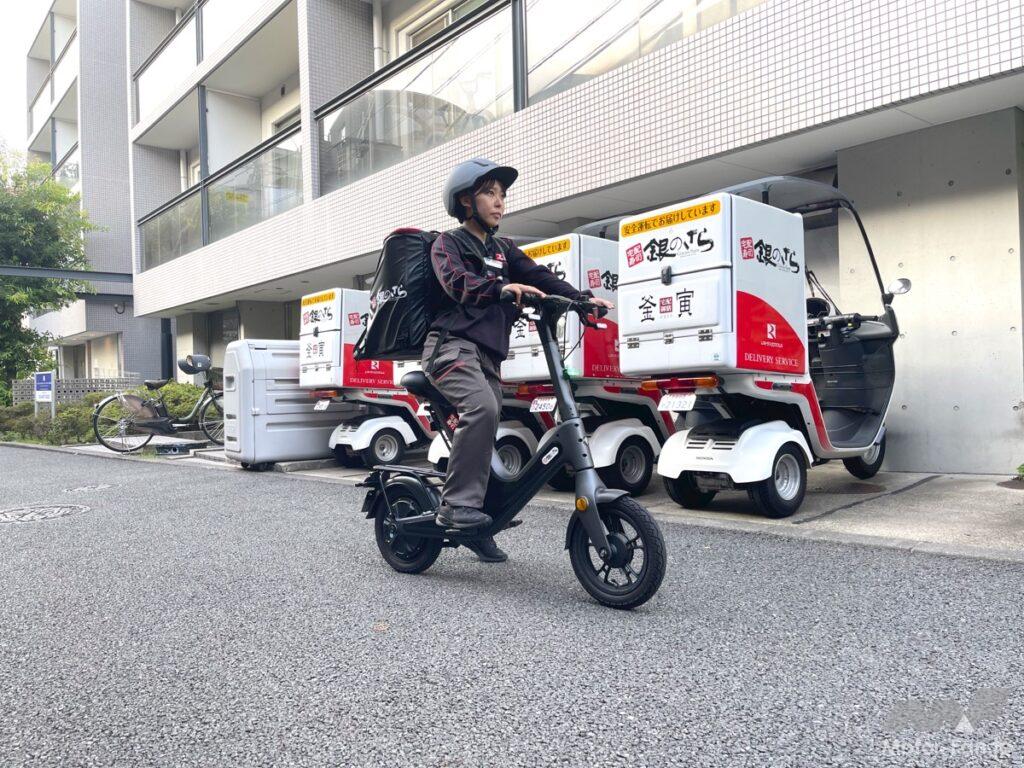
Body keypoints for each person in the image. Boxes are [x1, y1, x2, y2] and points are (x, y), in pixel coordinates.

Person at [422, 158, 613, 563]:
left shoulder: (504, 249)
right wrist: (501, 289)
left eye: (503, 195)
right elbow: (457, 282)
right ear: (465, 201)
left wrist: (580, 300)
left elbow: (540, 276)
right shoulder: (448, 244)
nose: (499, 202)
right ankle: (456, 505)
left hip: (487, 357)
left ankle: (480, 520)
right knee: (483, 408)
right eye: (490, 193)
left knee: (489, 422)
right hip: (450, 348)